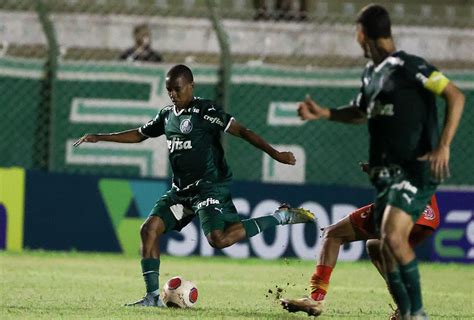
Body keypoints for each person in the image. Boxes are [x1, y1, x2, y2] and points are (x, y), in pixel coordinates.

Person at [74, 64, 315, 307]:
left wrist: (275, 154)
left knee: (218, 240)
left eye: (177, 89)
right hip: (181, 196)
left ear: (191, 86)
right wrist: (100, 136)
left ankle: (280, 217)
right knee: (149, 230)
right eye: (169, 90)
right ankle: (152, 297)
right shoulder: (167, 115)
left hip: (208, 189)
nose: (173, 94)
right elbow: (139, 134)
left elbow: (242, 131)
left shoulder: (205, 111)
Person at [282, 4, 465, 319]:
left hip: (415, 176)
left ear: (363, 33)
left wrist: (443, 146)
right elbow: (360, 111)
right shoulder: (371, 75)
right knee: (374, 247)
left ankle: (415, 313)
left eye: (356, 31)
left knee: (387, 238)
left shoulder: (411, 67)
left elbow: (454, 95)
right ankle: (400, 311)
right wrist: (325, 113)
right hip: (389, 183)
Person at [281, 162, 441, 319]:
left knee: (332, 234)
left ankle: (316, 300)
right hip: (427, 218)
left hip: (402, 204)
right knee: (375, 246)